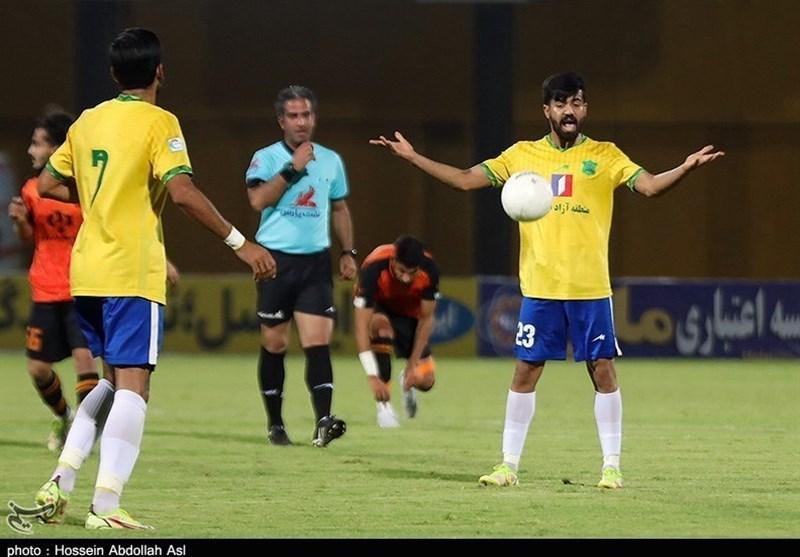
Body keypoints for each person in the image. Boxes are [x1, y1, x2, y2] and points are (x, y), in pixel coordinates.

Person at [370, 72, 724, 489]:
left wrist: (684, 167)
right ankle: (508, 466)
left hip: (590, 289)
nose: (569, 110)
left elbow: (648, 187)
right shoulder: (522, 155)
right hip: (540, 290)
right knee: (525, 372)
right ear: (546, 110)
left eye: (576, 102)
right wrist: (414, 158)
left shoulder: (606, 155)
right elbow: (465, 180)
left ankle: (611, 467)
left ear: (585, 108)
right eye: (560, 103)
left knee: (603, 370)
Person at [33, 27, 275, 530]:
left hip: (87, 270)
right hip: (131, 270)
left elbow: (47, 182)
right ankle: (106, 506)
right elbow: (182, 192)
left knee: (109, 381)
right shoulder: (159, 122)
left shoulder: (88, 120)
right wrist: (241, 243)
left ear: (114, 73)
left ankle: (61, 480)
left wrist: (98, 200)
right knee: (135, 388)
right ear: (160, 72)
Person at [245, 85, 356, 447]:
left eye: (306, 115)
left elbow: (339, 207)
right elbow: (258, 199)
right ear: (281, 121)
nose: (301, 122)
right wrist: (293, 168)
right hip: (275, 261)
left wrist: (348, 251)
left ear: (314, 118)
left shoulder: (331, 160)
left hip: (315, 262)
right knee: (275, 343)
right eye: (293, 116)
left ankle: (323, 421)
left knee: (318, 342)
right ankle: (275, 424)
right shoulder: (265, 158)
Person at [7, 108, 98, 452]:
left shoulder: (84, 188)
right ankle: (65, 416)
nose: (31, 150)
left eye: (38, 143)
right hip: (45, 289)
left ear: (57, 148)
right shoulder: (32, 189)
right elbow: (29, 237)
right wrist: (19, 221)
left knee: (85, 360)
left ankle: (84, 436)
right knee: (38, 369)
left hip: (82, 286)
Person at [353, 235, 440, 428]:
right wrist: (372, 376)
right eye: (402, 271)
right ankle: (383, 407)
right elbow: (360, 327)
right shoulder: (373, 268)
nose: (406, 278)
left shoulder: (429, 269)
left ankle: (405, 381)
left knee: (426, 381)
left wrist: (412, 364)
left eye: (412, 272)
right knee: (381, 328)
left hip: (409, 313)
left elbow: (426, 319)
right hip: (379, 307)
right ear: (393, 260)